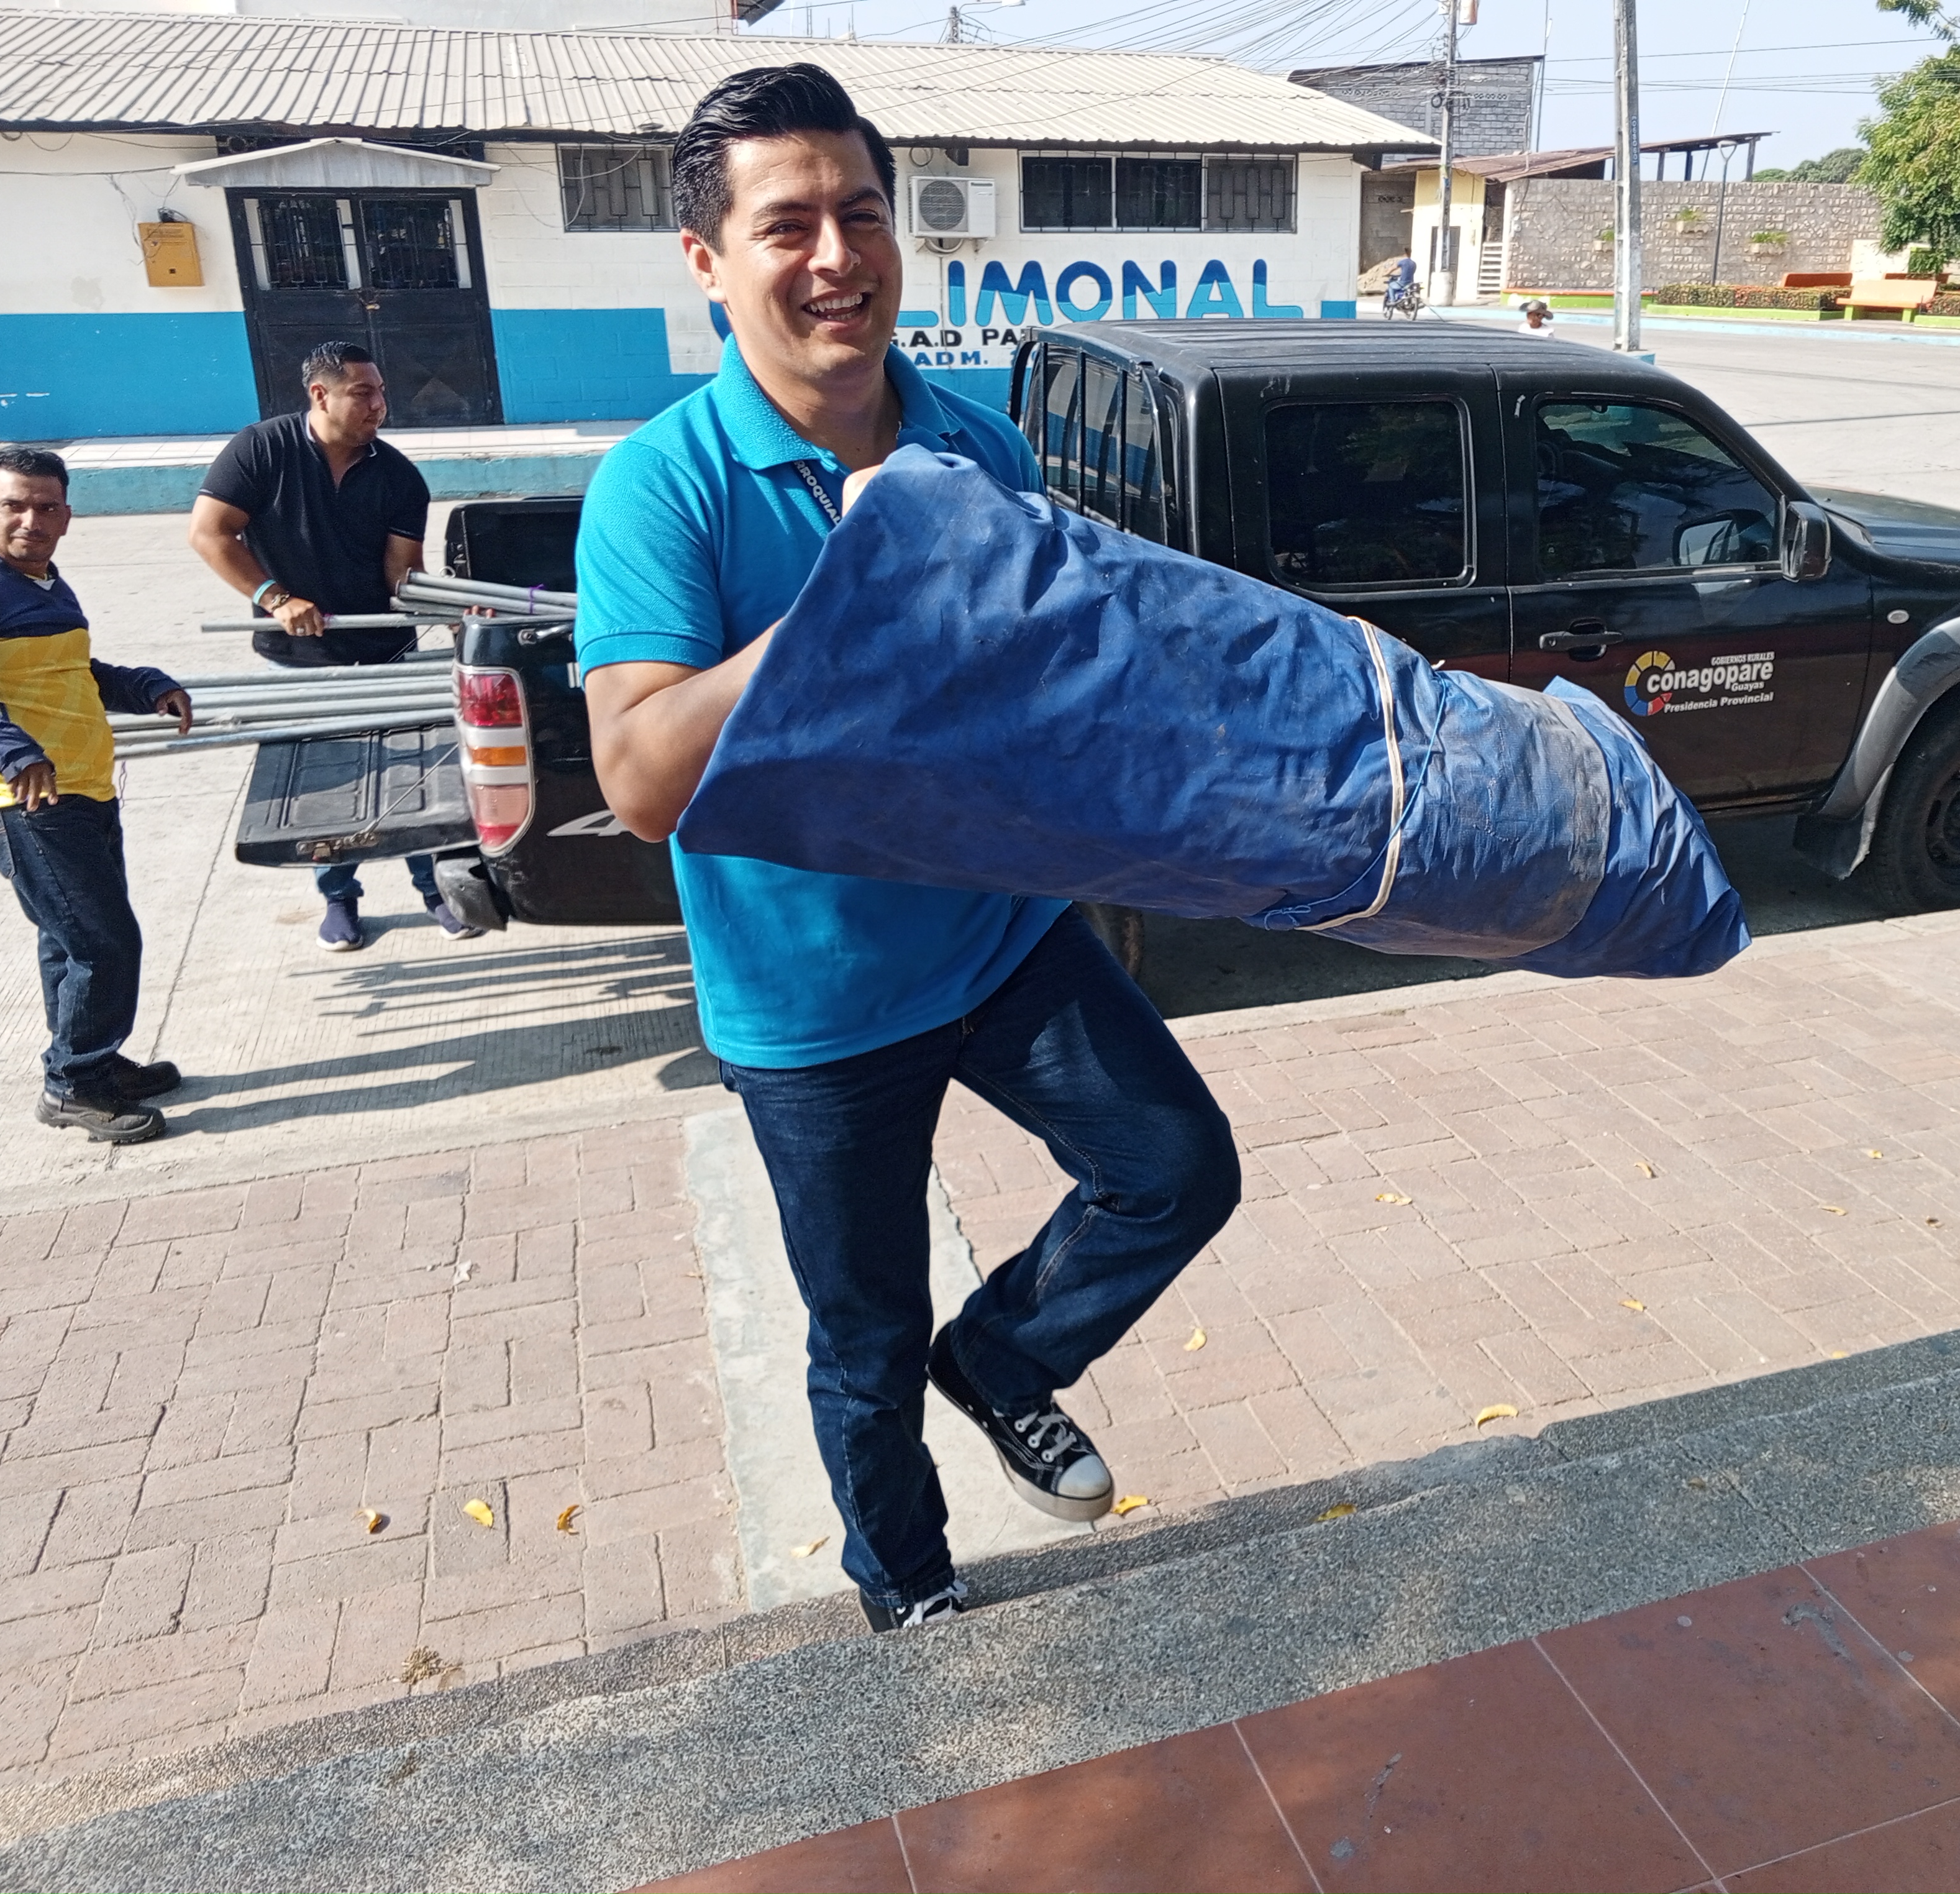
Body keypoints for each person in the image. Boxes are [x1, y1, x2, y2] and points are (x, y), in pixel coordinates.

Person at [574, 65, 1240, 1634]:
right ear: (708, 260)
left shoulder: (977, 443)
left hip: (1000, 934)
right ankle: (910, 1591)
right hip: (810, 1001)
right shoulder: (663, 485)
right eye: (786, 224)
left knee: (1174, 1169)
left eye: (860, 214)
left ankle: (1001, 1356)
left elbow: (1022, 687)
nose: (835, 256)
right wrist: (855, 587)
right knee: (863, 1341)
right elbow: (641, 778)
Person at [188, 342, 480, 950]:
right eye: (362, 393)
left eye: (381, 392)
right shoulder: (261, 449)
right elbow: (209, 533)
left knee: (415, 778)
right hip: (299, 660)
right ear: (320, 395)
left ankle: (434, 891)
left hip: (386, 654)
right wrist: (275, 598)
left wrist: (455, 611)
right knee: (326, 790)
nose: (379, 405)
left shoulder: (398, 476)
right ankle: (339, 898)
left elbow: (401, 575)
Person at [0, 447, 191, 1145]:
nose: (30, 520)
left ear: (67, 515)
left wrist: (144, 686)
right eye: (13, 506)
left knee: (69, 941)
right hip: (28, 800)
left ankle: (93, 1060)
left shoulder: (46, 585)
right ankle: (72, 1083)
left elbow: (72, 672)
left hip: (86, 787)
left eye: (45, 507)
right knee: (105, 942)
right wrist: (11, 749)